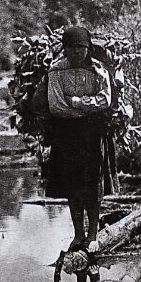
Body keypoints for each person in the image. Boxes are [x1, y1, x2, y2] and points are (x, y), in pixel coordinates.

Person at [32, 25, 117, 254]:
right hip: (67, 134)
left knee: (94, 183)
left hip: (93, 134)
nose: (77, 52)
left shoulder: (99, 70)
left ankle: (93, 235)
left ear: (88, 48)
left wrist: (78, 102)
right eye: (71, 48)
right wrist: (86, 109)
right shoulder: (56, 71)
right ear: (65, 49)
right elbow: (56, 106)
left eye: (81, 47)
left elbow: (105, 100)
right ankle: (79, 234)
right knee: (73, 185)